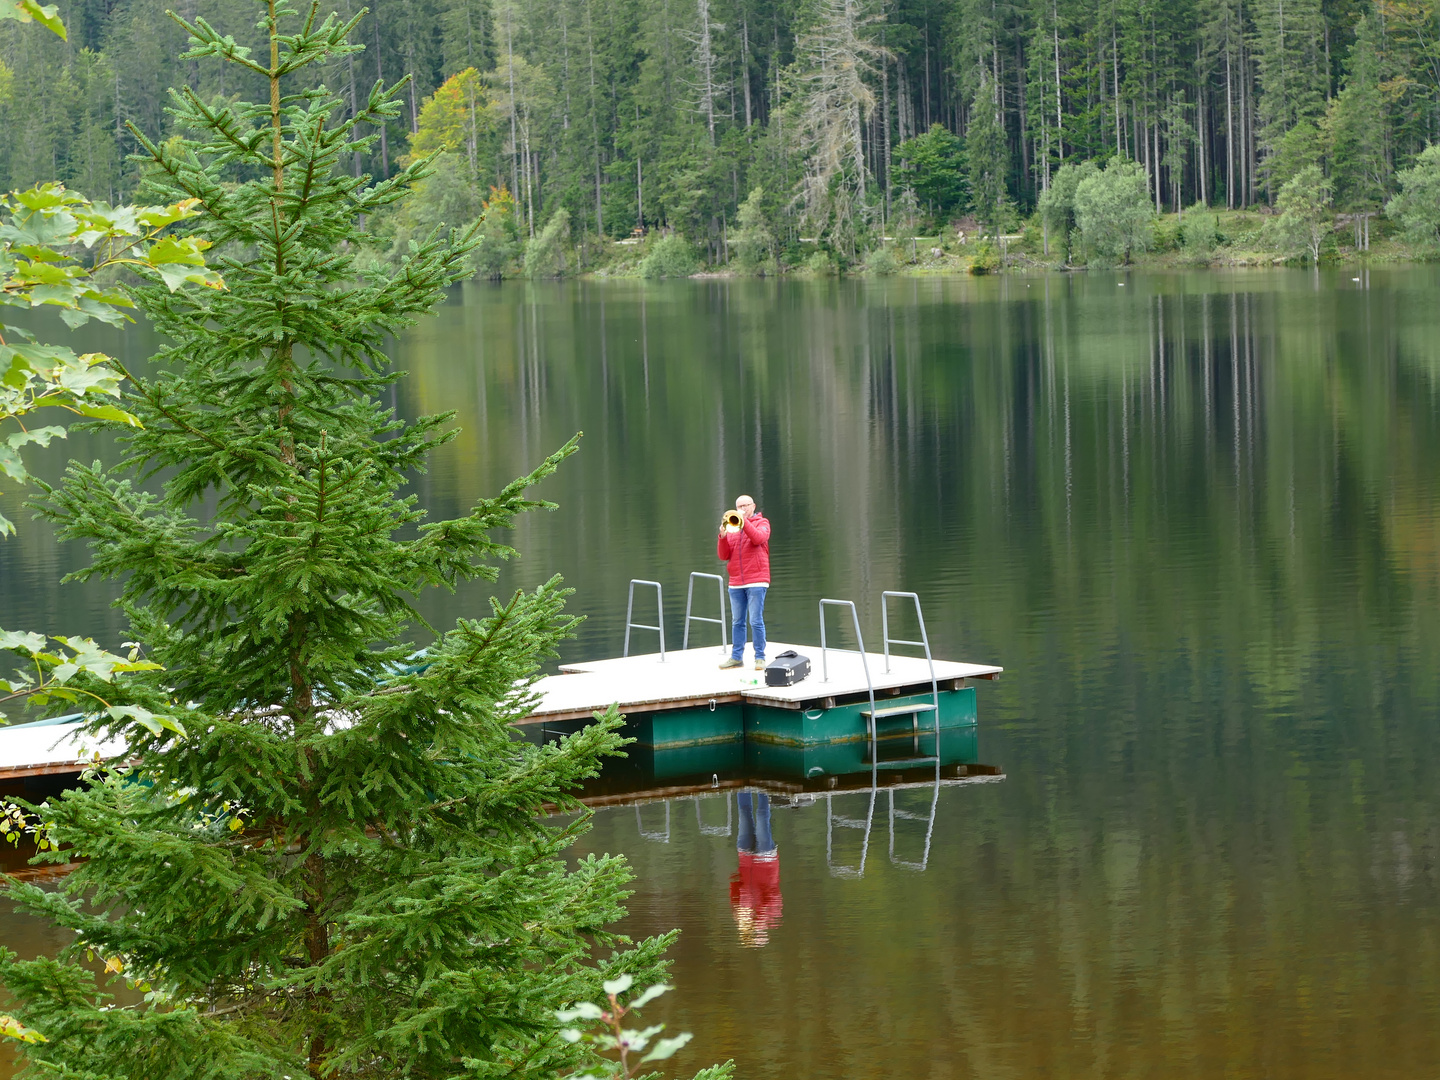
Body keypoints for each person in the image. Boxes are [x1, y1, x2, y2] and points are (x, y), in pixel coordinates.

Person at [716, 494, 771, 670]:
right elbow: (724, 556)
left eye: (745, 506)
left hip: (757, 580)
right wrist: (723, 536)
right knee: (737, 621)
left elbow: (758, 539)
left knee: (755, 620)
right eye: (739, 507)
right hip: (736, 582)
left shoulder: (763, 523)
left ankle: (760, 657)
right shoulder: (733, 528)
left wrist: (743, 521)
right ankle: (736, 657)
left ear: (753, 506)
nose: (742, 509)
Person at [729, 790, 781, 948]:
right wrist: (759, 920)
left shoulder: (740, 913)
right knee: (761, 815)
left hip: (746, 858)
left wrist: (741, 907)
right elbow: (775, 896)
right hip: (765, 859)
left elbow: (733, 885)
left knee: (744, 812)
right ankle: (763, 786)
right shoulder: (772, 918)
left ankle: (742, 782)